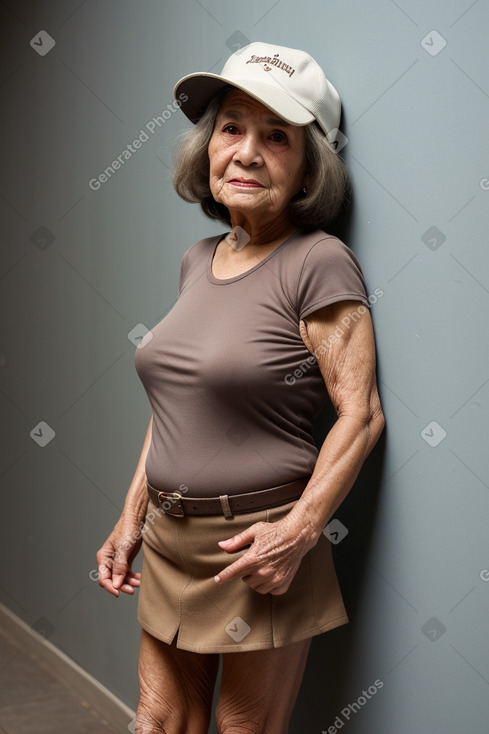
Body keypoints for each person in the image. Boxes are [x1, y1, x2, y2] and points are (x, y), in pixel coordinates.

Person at [96, 41, 385, 734]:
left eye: (275, 136)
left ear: (310, 165)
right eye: (231, 127)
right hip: (171, 540)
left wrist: (297, 533)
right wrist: (131, 516)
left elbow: (361, 414)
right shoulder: (199, 260)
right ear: (206, 148)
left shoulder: (317, 262)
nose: (247, 152)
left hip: (254, 548)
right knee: (157, 724)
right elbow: (176, 409)